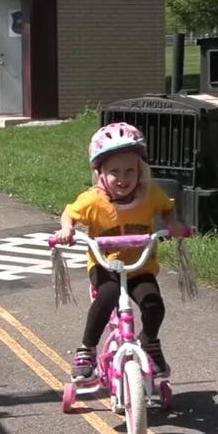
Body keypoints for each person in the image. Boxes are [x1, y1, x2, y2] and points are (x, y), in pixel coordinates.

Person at [54, 122, 189, 384]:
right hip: (105, 266)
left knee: (153, 304)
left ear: (141, 170)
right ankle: (87, 350)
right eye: (114, 171)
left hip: (140, 267)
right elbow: (69, 213)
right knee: (108, 295)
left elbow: (167, 208)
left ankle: (149, 342)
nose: (123, 178)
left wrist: (173, 225)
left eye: (130, 170)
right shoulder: (93, 200)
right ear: (100, 173)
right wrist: (66, 230)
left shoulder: (150, 194)